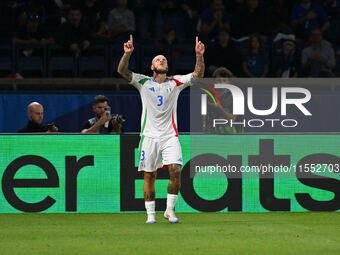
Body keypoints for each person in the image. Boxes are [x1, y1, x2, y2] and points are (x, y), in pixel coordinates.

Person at [117, 35, 204, 224]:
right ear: (152, 67)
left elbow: (197, 75)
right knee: (149, 175)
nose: (162, 60)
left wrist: (199, 55)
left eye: (164, 59)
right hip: (149, 137)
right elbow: (122, 71)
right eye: (158, 59)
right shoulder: (143, 82)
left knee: (175, 170)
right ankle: (150, 215)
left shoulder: (176, 83)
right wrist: (127, 54)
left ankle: (170, 211)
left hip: (170, 136)